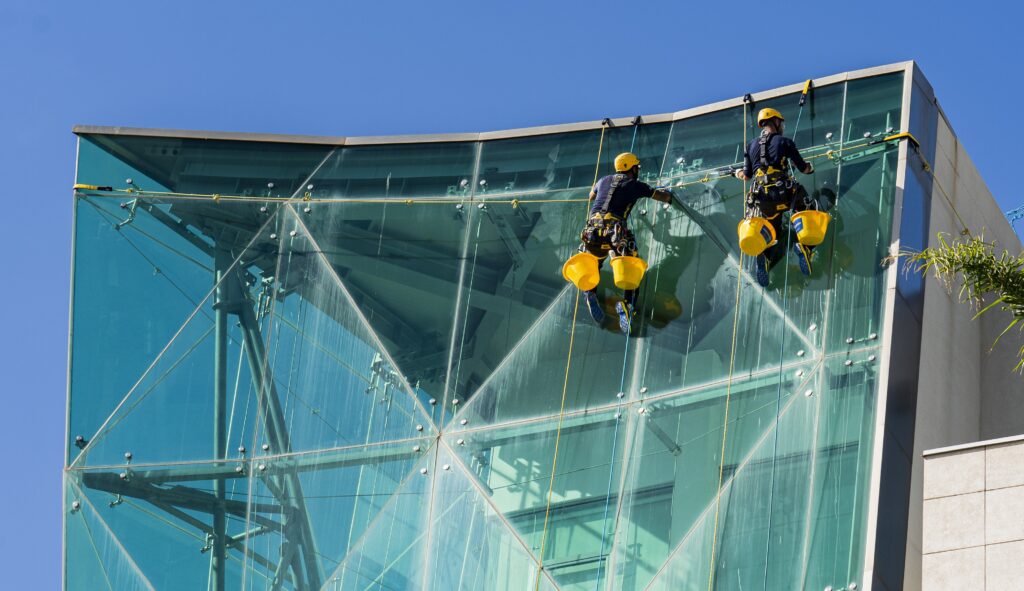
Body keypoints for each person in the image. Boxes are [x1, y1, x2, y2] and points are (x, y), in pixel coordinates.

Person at [580, 152, 674, 333]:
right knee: (631, 268)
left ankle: (590, 292)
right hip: (615, 231)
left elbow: (591, 196)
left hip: (592, 231)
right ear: (631, 168)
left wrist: (600, 189)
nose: (637, 169)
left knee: (595, 263)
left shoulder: (603, 180)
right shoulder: (635, 185)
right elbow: (663, 197)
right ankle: (627, 305)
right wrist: (669, 194)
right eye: (636, 167)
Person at [735, 108, 815, 287]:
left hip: (765, 200)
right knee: (810, 211)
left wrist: (737, 172)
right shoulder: (785, 142)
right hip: (786, 194)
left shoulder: (750, 146)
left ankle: (764, 256)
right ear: (775, 122)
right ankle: (805, 248)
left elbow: (747, 176)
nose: (783, 127)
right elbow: (803, 168)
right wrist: (811, 168)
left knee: (773, 230)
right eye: (782, 123)